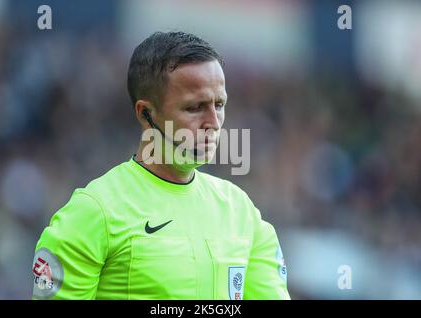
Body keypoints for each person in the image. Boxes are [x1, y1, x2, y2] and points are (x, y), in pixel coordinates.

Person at [32, 31, 290, 300]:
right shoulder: (93, 212)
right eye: (195, 107)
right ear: (146, 114)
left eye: (219, 104)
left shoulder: (242, 212)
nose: (213, 121)